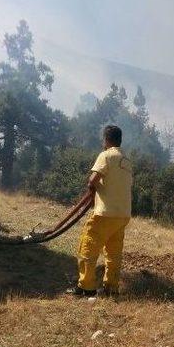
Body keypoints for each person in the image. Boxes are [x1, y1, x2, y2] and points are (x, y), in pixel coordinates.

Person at [69, 125, 132, 297]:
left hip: (105, 213)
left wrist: (92, 191)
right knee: (113, 253)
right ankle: (111, 288)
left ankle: (86, 287)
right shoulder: (126, 160)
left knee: (88, 246)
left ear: (106, 140)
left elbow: (92, 180)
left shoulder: (106, 155)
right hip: (123, 215)